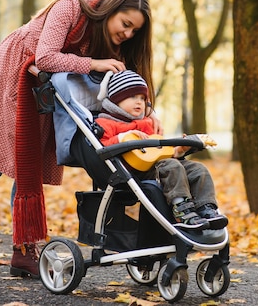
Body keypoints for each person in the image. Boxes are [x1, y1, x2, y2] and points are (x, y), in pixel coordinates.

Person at [0, 0, 162, 278]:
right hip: (16, 73)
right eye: (125, 24)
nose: (127, 34)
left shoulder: (111, 40)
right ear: (111, 10)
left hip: (50, 89)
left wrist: (148, 110)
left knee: (30, 166)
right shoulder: (72, 8)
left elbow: (131, 81)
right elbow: (47, 56)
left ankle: (23, 249)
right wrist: (93, 64)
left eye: (134, 31)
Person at [91, 69, 228, 231]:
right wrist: (124, 137)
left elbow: (159, 151)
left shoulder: (148, 123)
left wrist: (179, 150)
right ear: (116, 100)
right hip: (133, 172)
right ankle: (182, 210)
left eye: (142, 98)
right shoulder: (105, 123)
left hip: (160, 165)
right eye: (133, 97)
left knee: (198, 169)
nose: (139, 102)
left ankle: (206, 208)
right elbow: (103, 147)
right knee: (172, 166)